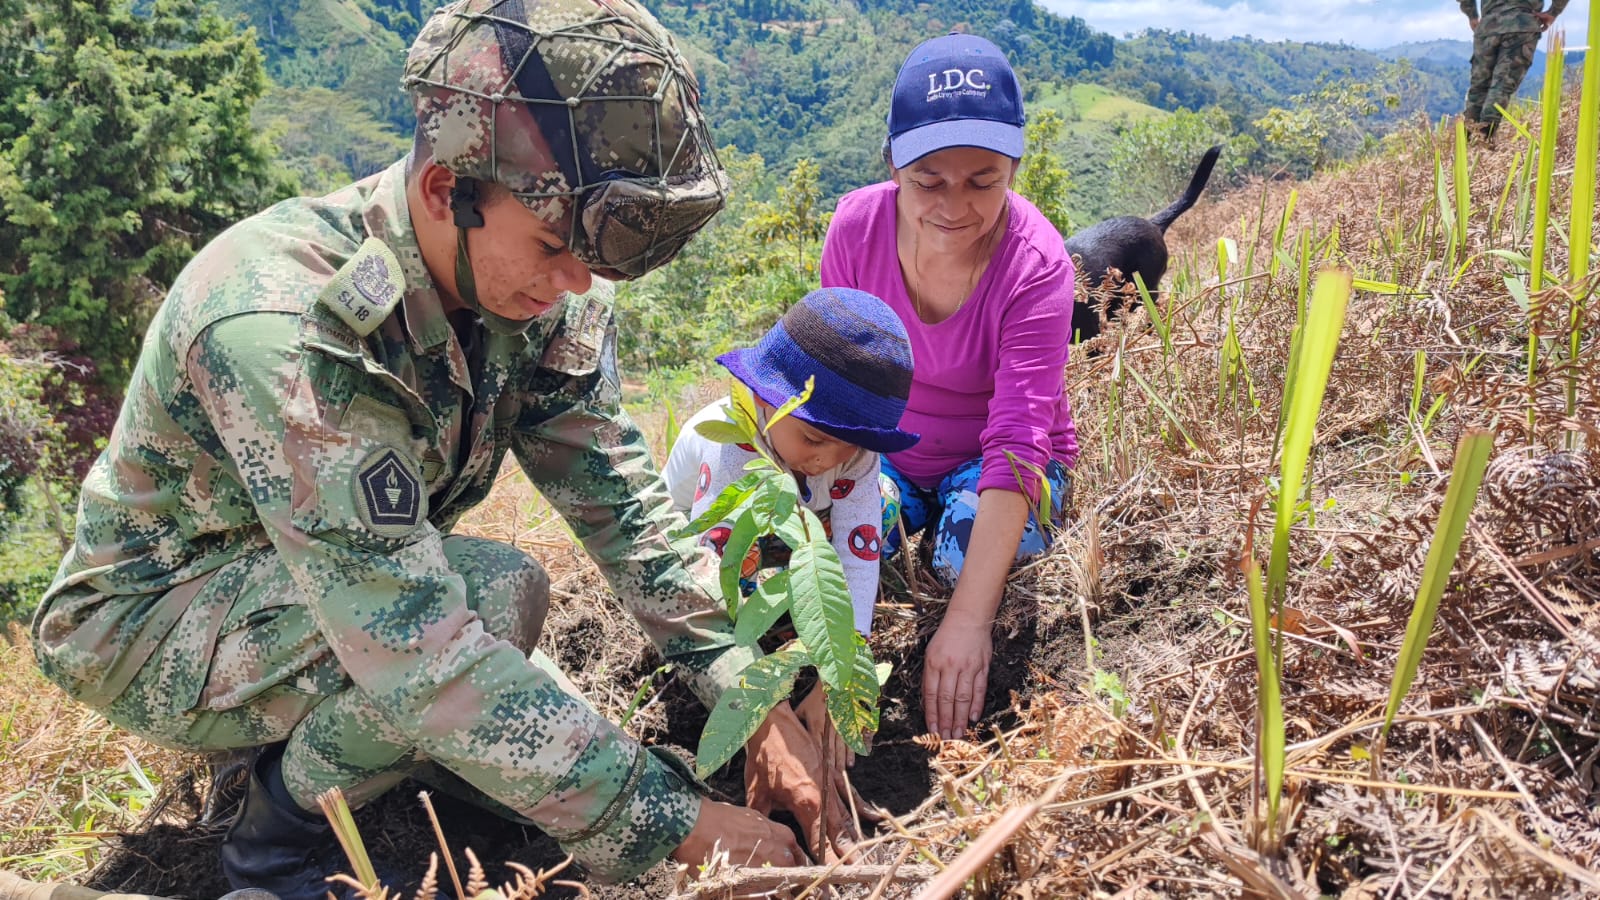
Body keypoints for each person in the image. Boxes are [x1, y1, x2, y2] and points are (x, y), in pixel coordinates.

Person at [28, 1, 849, 896]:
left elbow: (623, 508)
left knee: (487, 613)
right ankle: (278, 831)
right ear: (441, 193)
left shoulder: (518, 292)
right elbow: (417, 647)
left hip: (322, 583)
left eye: (589, 257)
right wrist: (671, 823)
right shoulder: (286, 331)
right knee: (494, 598)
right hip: (151, 623)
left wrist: (750, 689)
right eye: (550, 247)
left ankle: (385, 753)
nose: (577, 282)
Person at [819, 33, 1078, 741]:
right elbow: (840, 383)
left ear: (1014, 170)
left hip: (1000, 467)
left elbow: (1019, 442)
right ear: (894, 165)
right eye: (929, 179)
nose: (954, 206)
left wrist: (968, 623)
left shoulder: (1037, 269)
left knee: (958, 559)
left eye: (983, 181)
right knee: (843, 542)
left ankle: (953, 546)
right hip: (891, 453)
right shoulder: (855, 231)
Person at [663, 287, 917, 637]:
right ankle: (753, 628)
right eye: (813, 439)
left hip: (787, 529)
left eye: (849, 447)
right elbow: (717, 556)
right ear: (761, 397)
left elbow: (860, 539)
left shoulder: (856, 451)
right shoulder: (736, 442)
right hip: (697, 536)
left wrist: (849, 645)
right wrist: (741, 666)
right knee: (733, 548)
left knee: (883, 498)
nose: (826, 460)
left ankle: (804, 603)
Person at [1460, 0, 1568, 137]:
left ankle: (1468, 142)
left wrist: (1472, 14)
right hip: (1521, 24)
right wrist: (1553, 12)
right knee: (1502, 86)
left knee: (1479, 88)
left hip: (1488, 26)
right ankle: (1483, 139)